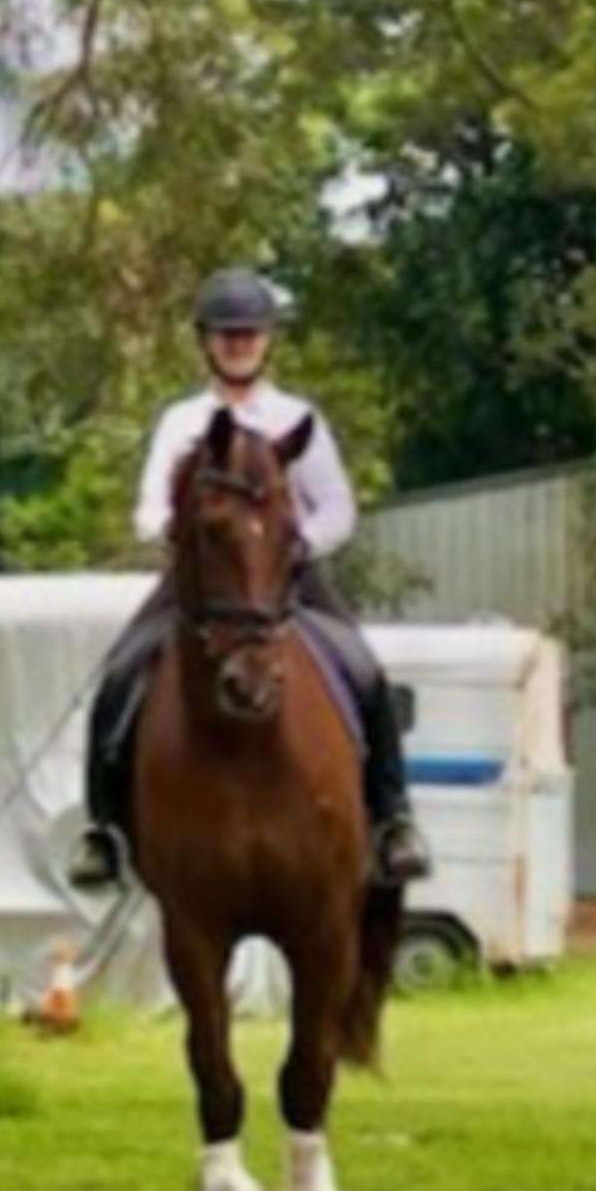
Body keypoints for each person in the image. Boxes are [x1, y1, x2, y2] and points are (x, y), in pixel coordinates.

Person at [66, 268, 430, 893]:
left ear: (268, 342)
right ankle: (102, 831)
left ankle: (394, 821)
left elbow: (337, 506)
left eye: (250, 334)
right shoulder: (180, 421)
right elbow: (150, 502)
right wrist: (172, 536)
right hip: (203, 576)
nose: (239, 345)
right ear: (206, 341)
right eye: (227, 334)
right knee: (121, 672)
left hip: (286, 574)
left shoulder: (297, 419)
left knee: (365, 671)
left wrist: (295, 549)